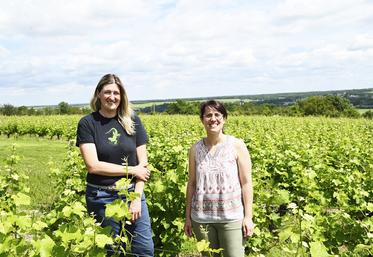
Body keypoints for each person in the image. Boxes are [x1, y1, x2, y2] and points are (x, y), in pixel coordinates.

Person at [76, 74, 154, 256]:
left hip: (133, 193)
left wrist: (136, 198)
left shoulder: (132, 120)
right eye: (107, 92)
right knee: (111, 251)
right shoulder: (88, 123)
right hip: (101, 196)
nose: (112, 97)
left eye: (116, 93)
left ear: (122, 96)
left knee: (144, 249)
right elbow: (93, 166)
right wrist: (131, 169)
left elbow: (143, 165)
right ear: (98, 95)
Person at [184, 100, 254, 257]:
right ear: (202, 120)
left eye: (217, 115)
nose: (213, 119)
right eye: (208, 115)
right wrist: (187, 217)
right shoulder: (195, 149)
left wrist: (248, 217)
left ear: (224, 118)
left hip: (232, 218)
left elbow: (246, 183)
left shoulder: (237, 145)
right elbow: (192, 184)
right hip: (201, 219)